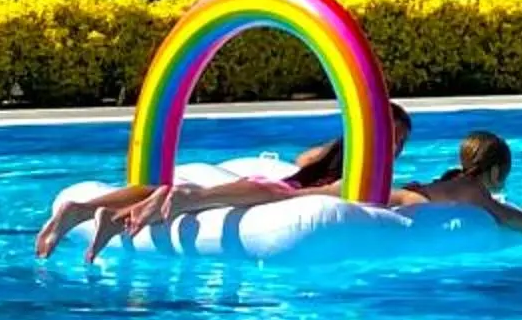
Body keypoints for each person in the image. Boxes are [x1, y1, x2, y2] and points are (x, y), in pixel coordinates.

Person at [34, 106, 414, 258]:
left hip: (271, 184)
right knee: (189, 196)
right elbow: (387, 197)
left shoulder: (325, 159)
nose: (396, 148)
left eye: (401, 142)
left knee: (155, 188)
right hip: (275, 191)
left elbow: (302, 160)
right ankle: (184, 197)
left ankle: (87, 212)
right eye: (391, 138)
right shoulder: (355, 176)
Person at [398, 128, 522, 241]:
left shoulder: (460, 182)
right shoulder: (473, 189)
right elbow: (507, 216)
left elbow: (494, 205)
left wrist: (521, 210)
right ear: (495, 172)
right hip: (404, 203)